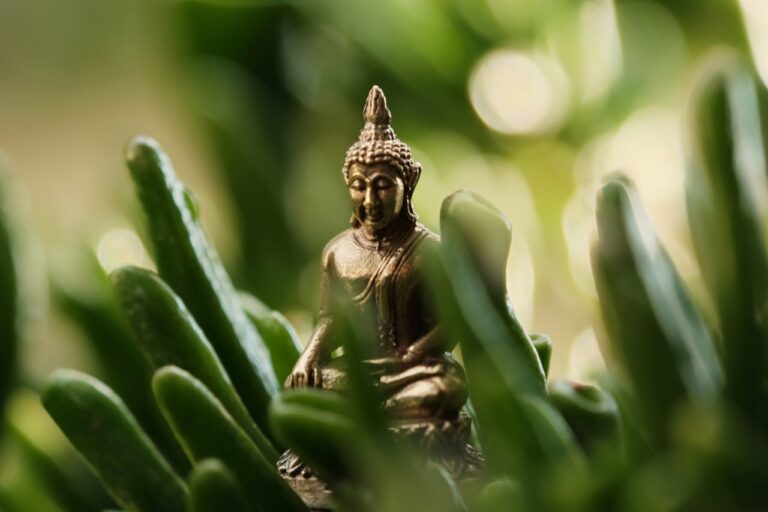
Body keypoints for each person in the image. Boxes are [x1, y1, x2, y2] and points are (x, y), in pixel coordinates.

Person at [284, 85, 467, 421]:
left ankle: (365, 421)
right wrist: (308, 356)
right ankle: (381, 418)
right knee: (307, 387)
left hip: (413, 370)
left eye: (382, 185)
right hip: (358, 372)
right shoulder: (338, 252)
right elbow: (331, 319)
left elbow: (453, 321)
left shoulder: (429, 251)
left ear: (408, 184)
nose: (370, 200)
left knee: (445, 387)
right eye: (358, 185)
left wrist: (413, 354)